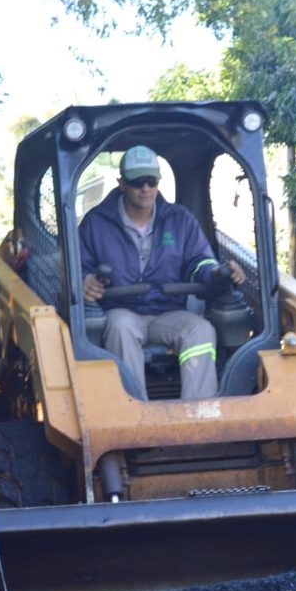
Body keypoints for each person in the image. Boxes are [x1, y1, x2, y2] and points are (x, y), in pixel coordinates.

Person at [79, 145, 245, 401]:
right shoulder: (96, 222)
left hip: (168, 310)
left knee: (201, 330)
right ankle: (134, 415)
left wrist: (217, 273)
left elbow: (198, 263)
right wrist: (86, 282)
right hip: (121, 309)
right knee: (120, 329)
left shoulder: (180, 219)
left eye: (151, 180)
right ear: (121, 183)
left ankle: (198, 417)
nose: (145, 188)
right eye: (137, 181)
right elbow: (80, 269)